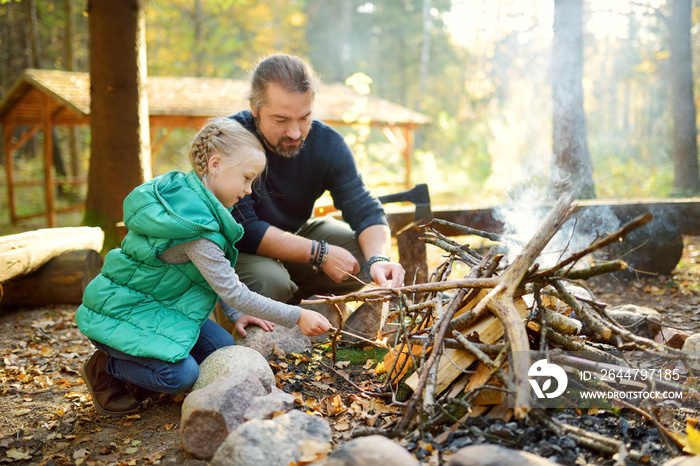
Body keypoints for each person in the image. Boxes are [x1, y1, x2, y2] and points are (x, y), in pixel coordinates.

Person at [75, 117, 331, 416]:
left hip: (158, 305)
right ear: (215, 164)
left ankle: (138, 371)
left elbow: (213, 277)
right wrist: (297, 315)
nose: (249, 190)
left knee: (219, 345)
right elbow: (234, 291)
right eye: (246, 178)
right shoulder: (195, 229)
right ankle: (106, 367)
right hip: (121, 312)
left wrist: (236, 314)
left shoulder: (191, 200)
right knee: (180, 376)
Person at [212, 53, 405, 330]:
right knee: (270, 282)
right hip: (237, 250)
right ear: (255, 108)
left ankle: (297, 307)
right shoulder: (229, 140)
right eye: (281, 120)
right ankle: (244, 332)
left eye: (304, 117)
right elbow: (245, 229)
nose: (294, 132)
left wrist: (379, 260)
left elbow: (364, 207)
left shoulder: (327, 144)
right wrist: (320, 254)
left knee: (363, 259)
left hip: (296, 237)